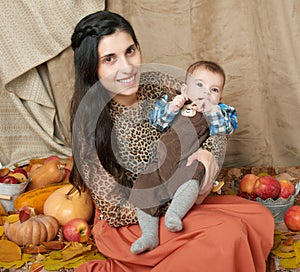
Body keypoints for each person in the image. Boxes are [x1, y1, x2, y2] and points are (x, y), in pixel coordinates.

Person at [69, 10, 274, 272]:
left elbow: (211, 113)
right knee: (228, 234)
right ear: (92, 68)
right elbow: (116, 211)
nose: (127, 67)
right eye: (110, 59)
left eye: (130, 51)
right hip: (134, 221)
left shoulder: (161, 86)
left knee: (258, 218)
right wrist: (183, 198)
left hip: (179, 196)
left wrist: (208, 156)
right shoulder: (89, 128)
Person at [129, 60, 238, 254]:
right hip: (161, 161)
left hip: (187, 162)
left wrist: (212, 110)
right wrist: (172, 108)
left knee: (193, 175)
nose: (206, 93)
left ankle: (175, 214)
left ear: (220, 96)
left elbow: (224, 131)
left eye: (214, 90)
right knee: (144, 186)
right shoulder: (174, 103)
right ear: (185, 89)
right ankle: (149, 236)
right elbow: (157, 123)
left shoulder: (220, 111)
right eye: (199, 85)